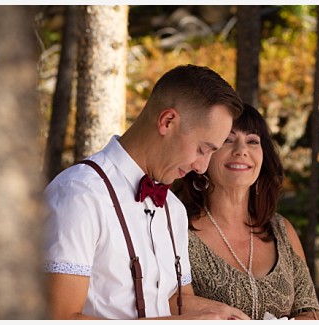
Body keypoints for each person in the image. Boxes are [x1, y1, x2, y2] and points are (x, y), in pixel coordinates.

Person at [44, 65, 248, 319]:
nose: (202, 166)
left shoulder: (173, 209)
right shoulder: (78, 195)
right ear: (167, 121)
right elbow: (59, 318)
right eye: (201, 149)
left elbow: (173, 299)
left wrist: (220, 313)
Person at [175, 104, 319, 319]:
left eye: (253, 141)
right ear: (204, 154)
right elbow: (175, 309)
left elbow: (311, 312)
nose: (241, 150)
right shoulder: (177, 231)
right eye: (228, 139)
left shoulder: (281, 230)